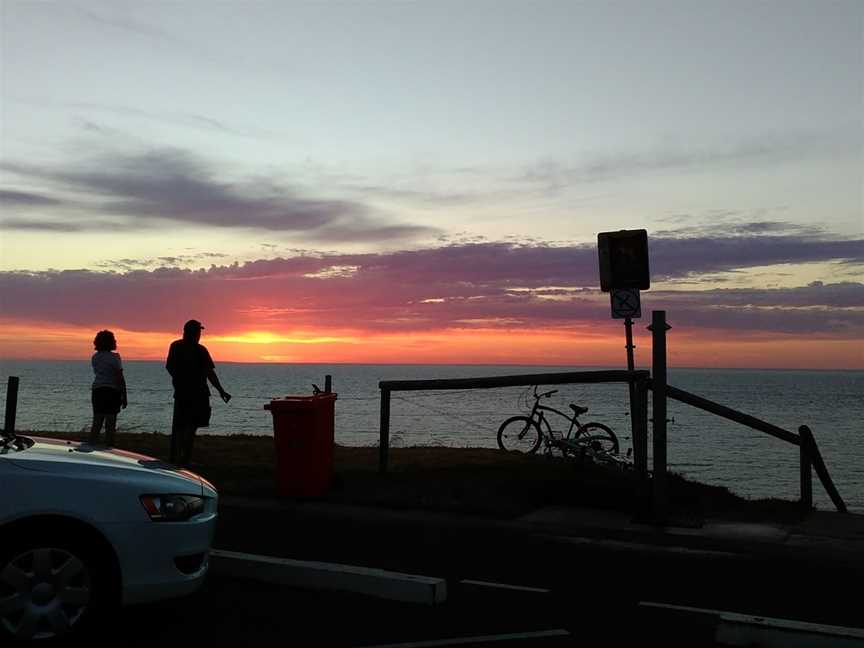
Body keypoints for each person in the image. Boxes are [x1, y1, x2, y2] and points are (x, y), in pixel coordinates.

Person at [166, 320, 231, 467]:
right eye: (198, 332)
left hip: (184, 392)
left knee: (182, 425)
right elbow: (210, 373)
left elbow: (170, 367)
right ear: (192, 333)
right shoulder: (200, 350)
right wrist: (221, 390)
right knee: (189, 427)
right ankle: (183, 459)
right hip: (197, 393)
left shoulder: (176, 347)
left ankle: (179, 457)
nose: (199, 335)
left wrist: (179, 380)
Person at [90, 330, 127, 446]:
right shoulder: (115, 357)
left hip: (97, 390)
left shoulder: (95, 357)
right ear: (111, 342)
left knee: (97, 421)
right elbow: (120, 377)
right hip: (111, 391)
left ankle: (91, 445)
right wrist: (124, 395)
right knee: (110, 424)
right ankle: (109, 448)